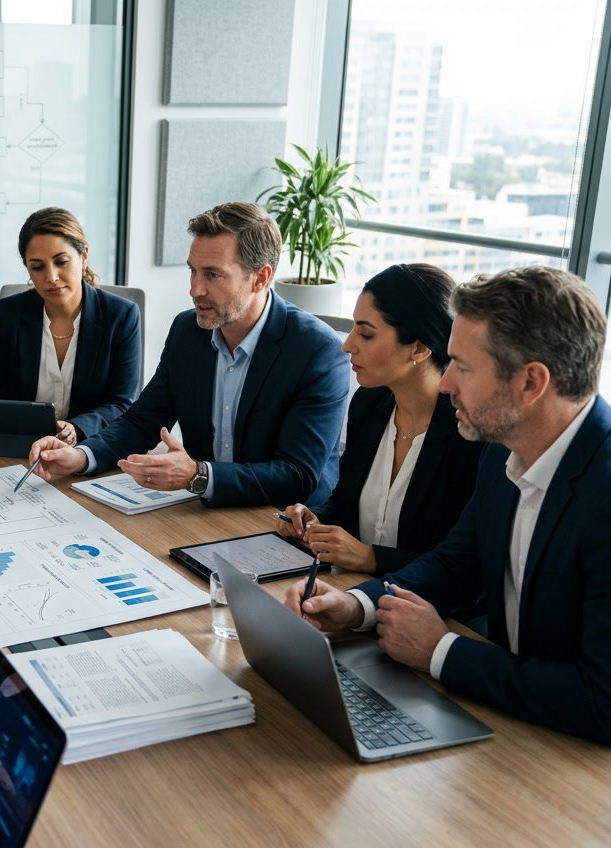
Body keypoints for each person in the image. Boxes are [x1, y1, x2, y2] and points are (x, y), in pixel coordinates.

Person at [288, 266, 611, 745]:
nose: (444, 384)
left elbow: (602, 702)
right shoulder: (505, 449)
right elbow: (455, 563)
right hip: (509, 722)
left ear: (530, 383)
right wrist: (356, 606)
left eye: (461, 366)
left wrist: (441, 651)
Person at [30, 201, 349, 508]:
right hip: (202, 509)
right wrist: (81, 456)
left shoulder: (316, 351)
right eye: (193, 271)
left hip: (283, 523)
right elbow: (142, 421)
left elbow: (297, 475)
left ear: (260, 278)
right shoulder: (188, 331)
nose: (195, 289)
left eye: (212, 274)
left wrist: (199, 476)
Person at [277, 264, 484, 574]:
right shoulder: (369, 404)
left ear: (418, 347)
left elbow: (467, 567)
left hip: (430, 614)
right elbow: (346, 504)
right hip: (351, 591)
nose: (347, 344)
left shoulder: (470, 434)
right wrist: (315, 519)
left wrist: (371, 558)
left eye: (366, 334)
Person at [0, 207, 141, 446]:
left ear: (83, 257)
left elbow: (120, 402)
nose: (51, 277)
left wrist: (76, 428)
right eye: (38, 267)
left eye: (61, 262)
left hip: (89, 449)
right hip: (20, 447)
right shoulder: (7, 314)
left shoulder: (121, 316)